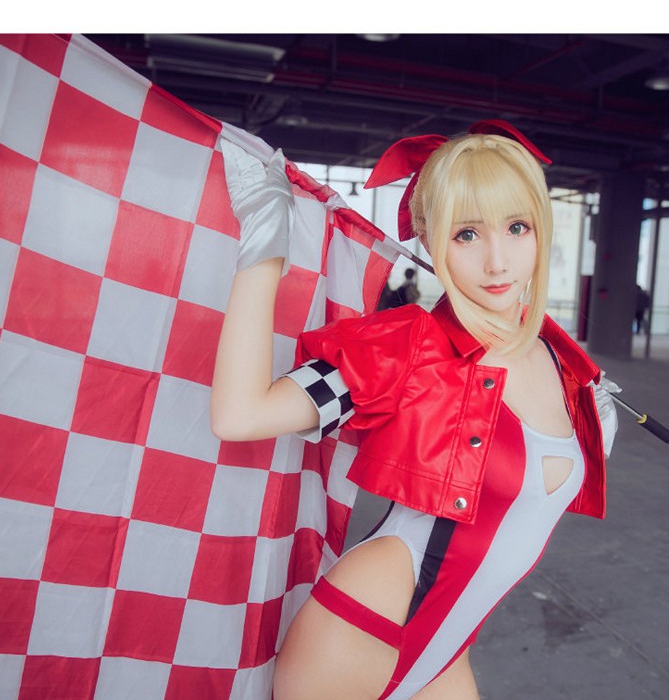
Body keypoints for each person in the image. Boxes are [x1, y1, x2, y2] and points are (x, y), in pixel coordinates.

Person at [211, 125, 619, 700]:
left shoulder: (560, 362)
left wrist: (592, 422)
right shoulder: (407, 348)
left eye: (517, 227)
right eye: (467, 234)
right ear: (428, 239)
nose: (497, 261)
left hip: (446, 655)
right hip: (356, 637)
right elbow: (241, 415)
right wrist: (262, 239)